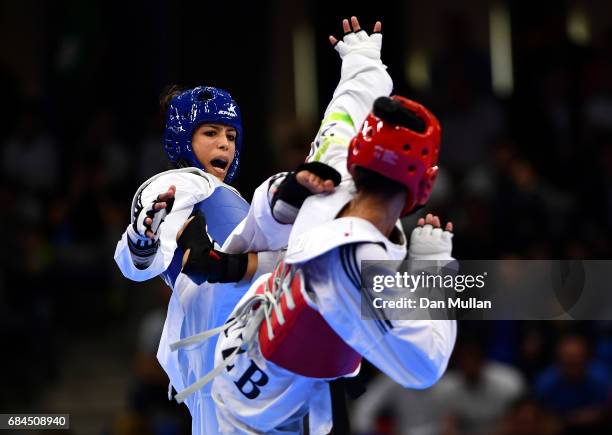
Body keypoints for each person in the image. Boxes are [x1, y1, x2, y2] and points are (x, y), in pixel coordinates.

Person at [175, 17, 457, 434]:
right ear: (424, 184)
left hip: (238, 354)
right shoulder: (364, 271)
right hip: (266, 417)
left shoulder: (332, 174)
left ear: (362, 154)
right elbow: (425, 367)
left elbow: (345, 112)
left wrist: (363, 60)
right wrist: (432, 262)